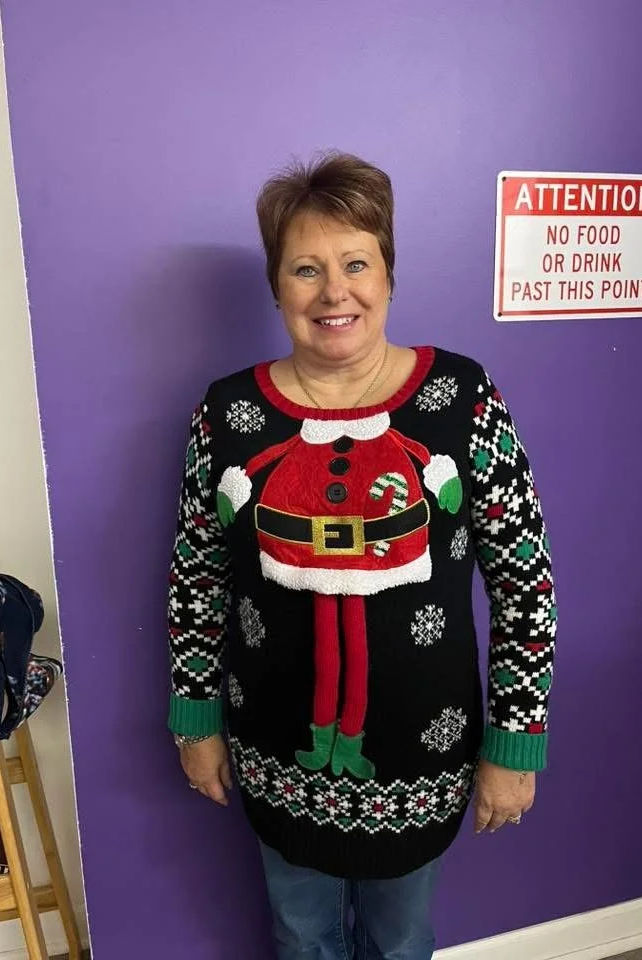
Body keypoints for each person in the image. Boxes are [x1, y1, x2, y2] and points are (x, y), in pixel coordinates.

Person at [167, 152, 556, 960]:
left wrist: (514, 743)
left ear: (389, 275)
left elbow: (525, 581)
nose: (333, 291)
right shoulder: (229, 413)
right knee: (300, 936)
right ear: (278, 286)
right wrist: (195, 719)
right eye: (306, 269)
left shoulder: (461, 399)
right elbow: (197, 579)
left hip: (424, 759)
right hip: (276, 758)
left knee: (401, 940)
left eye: (355, 264)